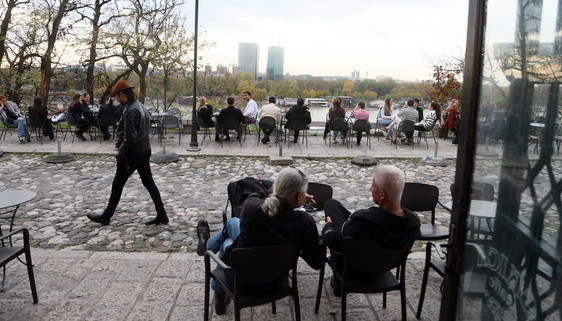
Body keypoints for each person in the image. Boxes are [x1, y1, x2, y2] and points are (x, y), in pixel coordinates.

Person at [196, 167, 325, 315]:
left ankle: (206, 250)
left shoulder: (251, 208)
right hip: (275, 280)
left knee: (227, 243)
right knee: (232, 224)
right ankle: (205, 247)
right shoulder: (304, 222)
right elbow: (317, 262)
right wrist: (319, 235)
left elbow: (258, 194)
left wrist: (283, 193)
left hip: (241, 281)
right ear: (298, 196)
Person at [321, 165, 421, 296]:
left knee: (331, 206)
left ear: (382, 194)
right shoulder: (413, 223)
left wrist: (327, 227)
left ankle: (340, 283)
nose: (370, 188)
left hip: (355, 267)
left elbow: (332, 241)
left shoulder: (361, 223)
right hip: (385, 265)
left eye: (373, 186)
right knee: (333, 205)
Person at [86, 81, 168, 226]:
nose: (116, 99)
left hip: (132, 154)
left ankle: (106, 216)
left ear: (122, 94)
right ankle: (162, 214)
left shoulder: (130, 110)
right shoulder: (141, 106)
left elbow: (130, 137)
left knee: (118, 184)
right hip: (144, 150)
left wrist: (120, 153)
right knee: (149, 183)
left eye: (117, 96)